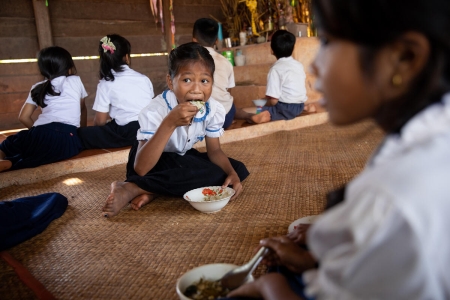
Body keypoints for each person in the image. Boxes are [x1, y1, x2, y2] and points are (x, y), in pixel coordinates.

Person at [225, 0, 450, 299]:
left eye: (328, 42)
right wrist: (314, 258)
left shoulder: (390, 198)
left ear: (404, 58)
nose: (316, 65)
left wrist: (272, 287)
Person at [102, 42, 250, 217]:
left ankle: (153, 190)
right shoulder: (156, 110)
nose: (196, 89)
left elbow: (215, 151)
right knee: (200, 174)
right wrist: (170, 123)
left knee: (236, 170)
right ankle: (130, 187)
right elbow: (141, 168)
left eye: (204, 81)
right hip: (150, 161)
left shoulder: (212, 109)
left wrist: (231, 173)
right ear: (170, 82)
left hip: (180, 157)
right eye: (186, 80)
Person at [0, 46, 87, 172]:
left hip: (40, 131)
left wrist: (37, 133)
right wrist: (81, 133)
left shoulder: (38, 87)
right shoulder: (75, 81)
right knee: (49, 153)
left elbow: (23, 117)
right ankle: (13, 162)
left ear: (43, 69)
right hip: (69, 138)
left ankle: (4, 160)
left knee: (8, 145)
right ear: (69, 66)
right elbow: (82, 109)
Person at [77, 34, 154, 149]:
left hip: (128, 132)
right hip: (150, 129)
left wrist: (97, 130)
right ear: (127, 57)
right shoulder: (144, 79)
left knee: (82, 134)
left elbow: (100, 121)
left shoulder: (106, 83)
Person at [235, 29, 307, 124]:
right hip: (300, 106)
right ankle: (307, 107)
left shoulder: (275, 69)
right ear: (292, 48)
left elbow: (273, 102)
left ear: (272, 50)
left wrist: (264, 102)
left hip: (285, 110)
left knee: (244, 110)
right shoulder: (298, 65)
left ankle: (258, 116)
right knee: (264, 102)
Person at [192, 18, 237, 129]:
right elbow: (228, 91)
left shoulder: (189, 62)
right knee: (230, 104)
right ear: (216, 40)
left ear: (194, 40)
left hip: (201, 120)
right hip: (226, 117)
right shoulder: (226, 62)